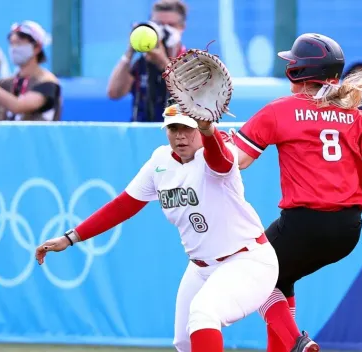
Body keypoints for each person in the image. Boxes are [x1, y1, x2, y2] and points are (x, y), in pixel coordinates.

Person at [35, 102, 279, 352]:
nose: (180, 135)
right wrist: (71, 237)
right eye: (173, 128)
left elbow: (222, 162)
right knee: (183, 341)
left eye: (187, 128)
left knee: (204, 313)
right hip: (200, 267)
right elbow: (124, 205)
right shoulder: (160, 160)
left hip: (246, 260)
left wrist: (208, 130)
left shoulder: (214, 153)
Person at [232, 33, 362, 352]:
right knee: (281, 279)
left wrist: (215, 144)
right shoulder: (357, 117)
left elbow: (238, 162)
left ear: (297, 72)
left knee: (252, 273)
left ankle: (297, 342)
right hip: (348, 231)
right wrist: (353, 202)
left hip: (303, 224)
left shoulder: (279, 110)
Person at [107, 0, 187, 122]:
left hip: (177, 137)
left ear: (182, 28)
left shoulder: (190, 62)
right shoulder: (141, 63)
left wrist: (164, 64)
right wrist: (130, 52)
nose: (164, 29)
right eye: (159, 24)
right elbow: (114, 93)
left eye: (171, 25)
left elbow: (192, 99)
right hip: (140, 135)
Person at [0, 21, 61, 121]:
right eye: (11, 44)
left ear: (37, 47)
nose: (14, 49)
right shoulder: (5, 83)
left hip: (37, 137)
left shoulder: (48, 83)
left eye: (19, 43)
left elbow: (18, 106)